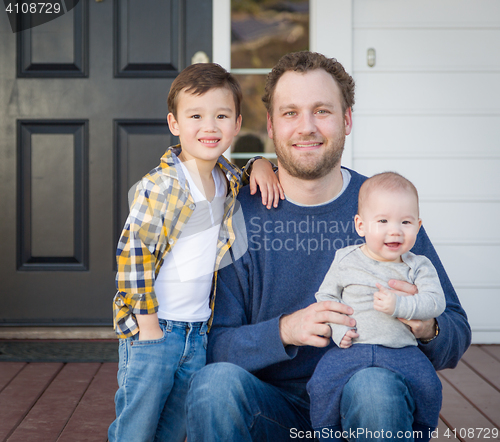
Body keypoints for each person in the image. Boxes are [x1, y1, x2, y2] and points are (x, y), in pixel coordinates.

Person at [185, 51, 471, 442]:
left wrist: (426, 326)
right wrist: (287, 329)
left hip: (364, 403)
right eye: (290, 113)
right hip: (273, 409)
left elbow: (455, 331)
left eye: (322, 111)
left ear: (347, 119)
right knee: (213, 385)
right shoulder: (242, 215)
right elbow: (215, 346)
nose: (307, 127)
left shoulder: (386, 210)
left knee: (373, 387)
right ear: (270, 125)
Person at [108, 63, 283, 442]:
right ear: (174, 123)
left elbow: (247, 170)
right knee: (136, 428)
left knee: (174, 428)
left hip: (199, 332)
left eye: (221, 116)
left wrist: (262, 164)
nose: (210, 127)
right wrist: (149, 326)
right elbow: (132, 255)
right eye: (196, 116)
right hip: (154, 329)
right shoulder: (163, 185)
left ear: (237, 125)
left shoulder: (228, 179)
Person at [307, 171, 446, 439]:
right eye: (382, 220)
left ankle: (420, 432)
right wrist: (338, 331)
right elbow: (326, 298)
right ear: (361, 225)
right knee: (321, 383)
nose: (394, 230)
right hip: (352, 347)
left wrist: (400, 305)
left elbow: (435, 302)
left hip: (401, 350)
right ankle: (325, 433)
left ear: (418, 226)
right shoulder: (345, 259)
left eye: (405, 221)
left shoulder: (419, 266)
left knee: (430, 386)